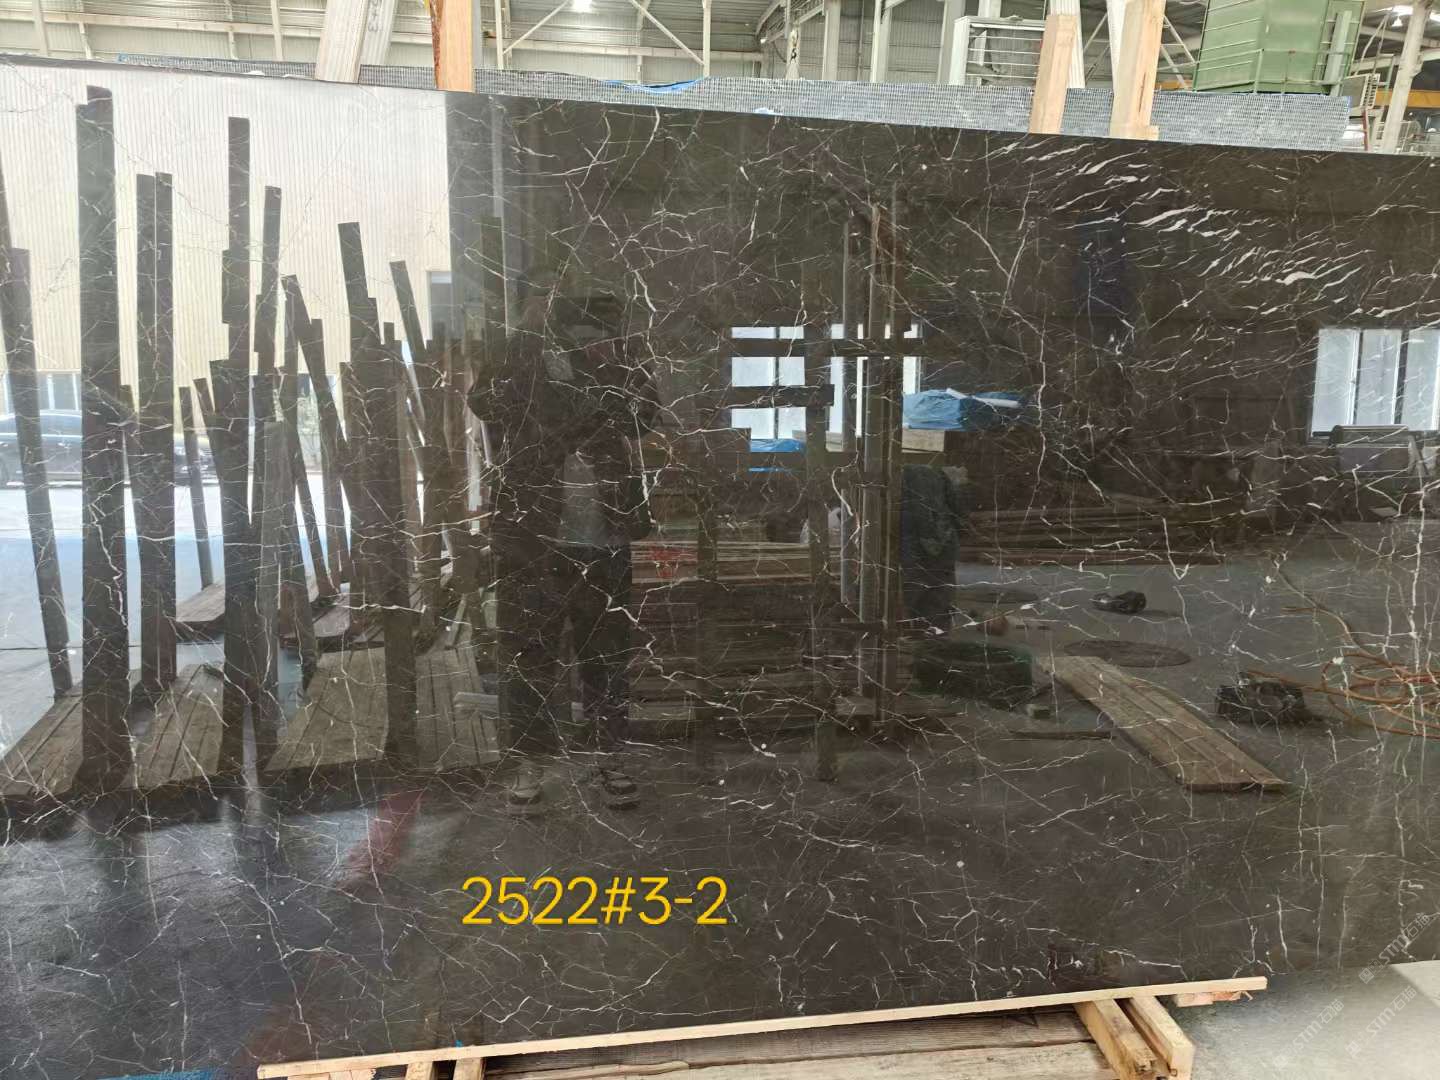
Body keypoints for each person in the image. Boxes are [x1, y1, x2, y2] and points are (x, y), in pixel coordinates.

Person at [469, 288, 658, 815]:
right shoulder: (519, 357)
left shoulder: (618, 355)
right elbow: (485, 403)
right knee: (529, 654)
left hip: (606, 535)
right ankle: (529, 765)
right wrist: (525, 342)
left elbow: (644, 418)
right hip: (534, 538)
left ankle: (608, 759)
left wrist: (619, 362)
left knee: (607, 655)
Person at [899, 464, 971, 630]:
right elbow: (960, 513)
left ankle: (912, 631)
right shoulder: (938, 475)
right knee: (939, 592)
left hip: (913, 546)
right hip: (941, 543)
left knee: (912, 590)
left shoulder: (900, 477)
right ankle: (936, 634)